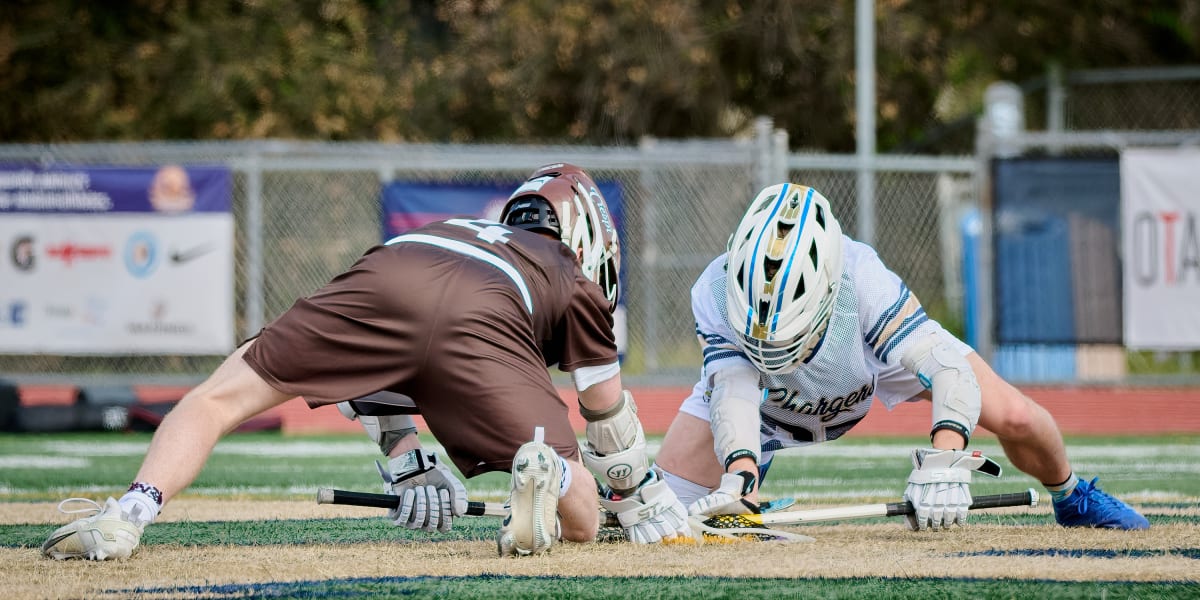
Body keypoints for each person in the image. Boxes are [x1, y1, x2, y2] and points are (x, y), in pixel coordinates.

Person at [41, 163, 690, 561]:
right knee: (581, 515)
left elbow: (386, 356)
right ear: (585, 234)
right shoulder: (570, 273)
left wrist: (407, 460)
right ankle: (545, 472)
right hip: (488, 311)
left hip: (391, 267)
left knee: (215, 397)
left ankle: (129, 513)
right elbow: (607, 417)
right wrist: (638, 494)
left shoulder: (452, 226)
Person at [652, 182, 1150, 532]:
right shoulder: (712, 290)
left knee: (1018, 416)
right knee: (666, 515)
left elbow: (947, 368)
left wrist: (944, 460)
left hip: (867, 359)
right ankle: (755, 471)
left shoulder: (862, 278)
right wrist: (739, 476)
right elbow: (734, 390)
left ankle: (1072, 496)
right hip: (762, 402)